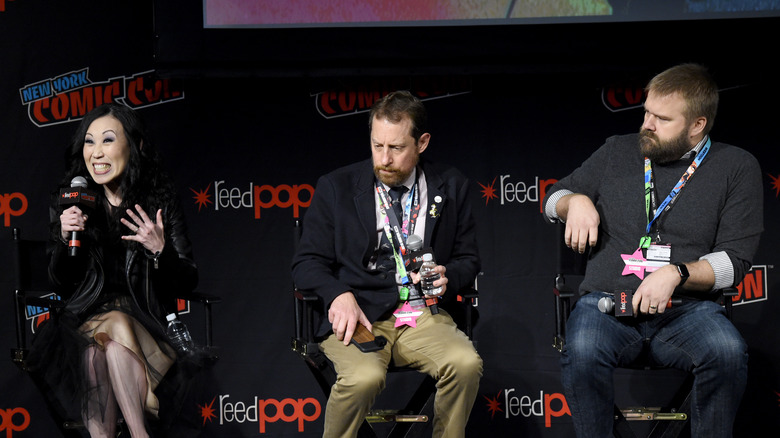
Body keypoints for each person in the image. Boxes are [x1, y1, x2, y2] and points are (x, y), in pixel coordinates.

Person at [543, 63, 763, 437]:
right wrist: (575, 201)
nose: (646, 124)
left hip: (687, 311)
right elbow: (552, 199)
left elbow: (734, 261)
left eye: (662, 119)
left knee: (726, 353)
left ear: (697, 124)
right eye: (646, 112)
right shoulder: (618, 150)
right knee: (581, 351)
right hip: (607, 305)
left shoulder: (736, 166)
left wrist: (676, 274)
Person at [292, 90, 483, 438]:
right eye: (377, 146)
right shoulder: (337, 187)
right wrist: (337, 294)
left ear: (422, 142)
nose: (384, 158)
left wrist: (448, 276)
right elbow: (306, 264)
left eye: (396, 148)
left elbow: (468, 259)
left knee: (465, 363)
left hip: (423, 314)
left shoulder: (451, 185)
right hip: (359, 316)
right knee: (365, 378)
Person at [28, 103, 198, 438]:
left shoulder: (158, 202)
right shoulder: (72, 202)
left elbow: (188, 281)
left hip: (146, 321)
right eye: (89, 142)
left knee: (103, 352)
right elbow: (62, 283)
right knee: (97, 343)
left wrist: (160, 250)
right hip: (85, 319)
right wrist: (65, 240)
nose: (96, 153)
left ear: (136, 147)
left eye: (107, 140)